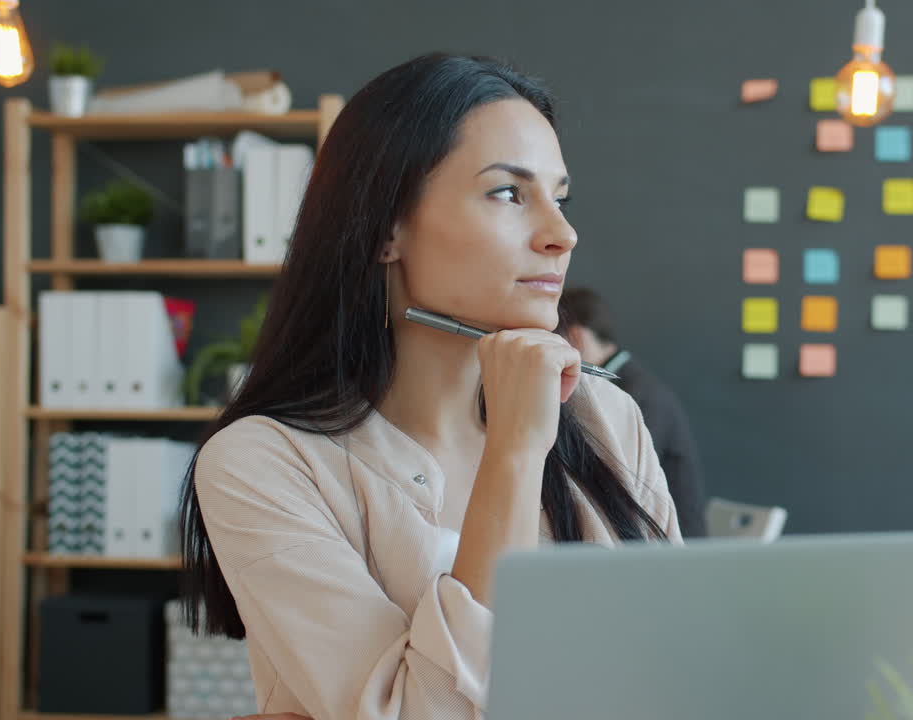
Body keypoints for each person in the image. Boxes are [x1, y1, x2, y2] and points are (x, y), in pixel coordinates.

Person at [179, 53, 682, 720]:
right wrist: (516, 448)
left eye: (559, 198)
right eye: (508, 192)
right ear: (386, 227)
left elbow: (676, 672)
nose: (562, 235)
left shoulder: (605, 415)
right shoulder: (263, 462)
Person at [560, 289, 708, 537]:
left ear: (575, 337)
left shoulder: (631, 396)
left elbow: (617, 481)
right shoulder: (632, 384)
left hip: (670, 555)